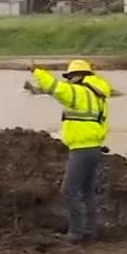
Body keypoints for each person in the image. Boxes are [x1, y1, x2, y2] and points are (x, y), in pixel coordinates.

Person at [29, 59, 111, 243]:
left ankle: (76, 233)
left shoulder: (78, 92)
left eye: (71, 76)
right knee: (87, 192)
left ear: (81, 77)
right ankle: (90, 231)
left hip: (81, 150)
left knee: (69, 191)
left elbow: (54, 87)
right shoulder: (98, 96)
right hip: (95, 148)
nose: (69, 80)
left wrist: (37, 71)